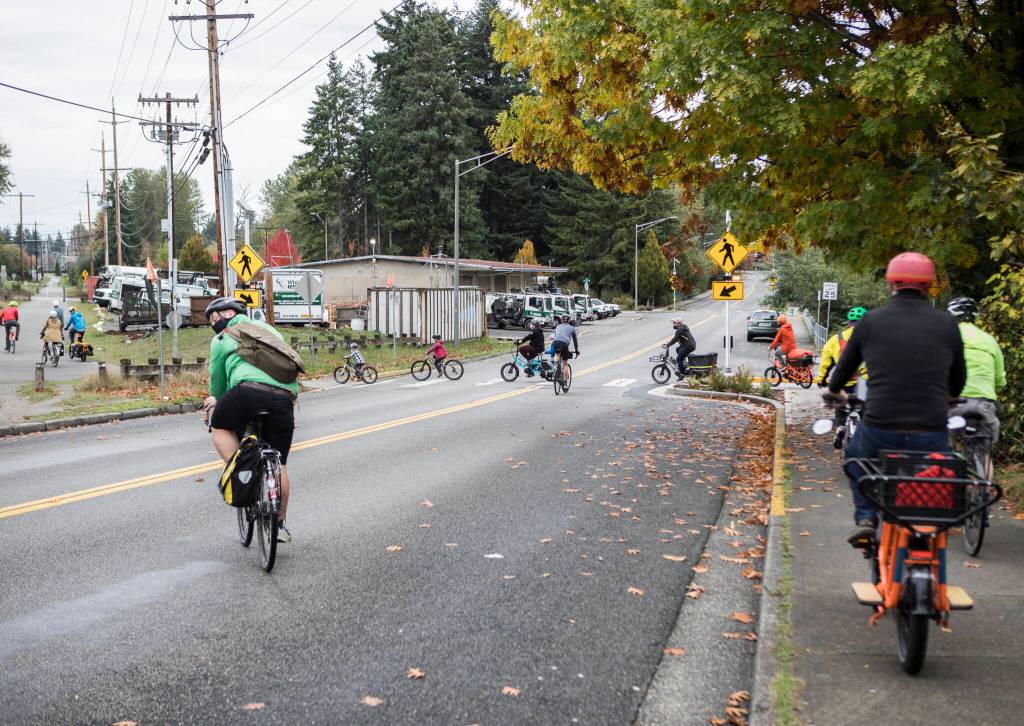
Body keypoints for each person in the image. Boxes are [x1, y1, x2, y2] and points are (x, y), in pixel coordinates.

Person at [825, 252, 966, 546]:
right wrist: (951, 397)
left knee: (855, 460)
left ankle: (866, 517)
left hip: (880, 426)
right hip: (931, 427)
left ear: (891, 283)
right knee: (943, 469)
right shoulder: (947, 324)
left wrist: (834, 390)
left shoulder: (871, 321)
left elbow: (844, 369)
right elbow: (958, 378)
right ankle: (931, 522)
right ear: (929, 285)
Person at [202, 297, 299, 543]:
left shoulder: (224, 337)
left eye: (215, 318)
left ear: (228, 313)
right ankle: (279, 524)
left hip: (246, 393)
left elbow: (218, 378)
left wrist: (217, 399)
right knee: (280, 463)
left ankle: (243, 468)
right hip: (284, 398)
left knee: (220, 426)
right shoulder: (270, 330)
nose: (214, 323)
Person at [947, 296, 1005, 474]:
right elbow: (1000, 380)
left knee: (946, 444)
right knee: (984, 454)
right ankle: (986, 493)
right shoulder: (990, 340)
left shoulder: (948, 337)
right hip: (984, 404)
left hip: (954, 402)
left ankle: (952, 478)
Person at [816, 307, 869, 446]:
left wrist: (821, 379)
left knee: (841, 407)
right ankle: (863, 431)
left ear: (848, 323)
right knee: (863, 407)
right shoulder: (873, 338)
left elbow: (825, 361)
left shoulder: (836, 339)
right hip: (863, 382)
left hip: (843, 381)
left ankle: (840, 427)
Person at [551, 315, 580, 380]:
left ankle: (556, 367)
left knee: (557, 354)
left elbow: (556, 336)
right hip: (564, 344)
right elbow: (575, 341)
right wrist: (576, 350)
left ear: (561, 320)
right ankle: (565, 383)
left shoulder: (558, 326)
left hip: (555, 342)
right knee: (565, 363)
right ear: (569, 321)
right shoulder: (572, 328)